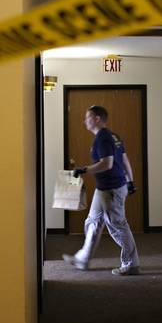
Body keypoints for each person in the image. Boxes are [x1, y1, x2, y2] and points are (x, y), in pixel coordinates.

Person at [62, 105, 140, 276]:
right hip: (105, 188)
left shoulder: (103, 138)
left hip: (111, 189)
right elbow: (125, 160)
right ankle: (83, 258)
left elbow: (108, 163)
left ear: (97, 119)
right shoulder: (113, 136)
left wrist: (84, 169)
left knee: (118, 226)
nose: (84, 121)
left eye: (87, 117)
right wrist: (130, 181)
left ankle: (131, 263)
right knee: (92, 222)